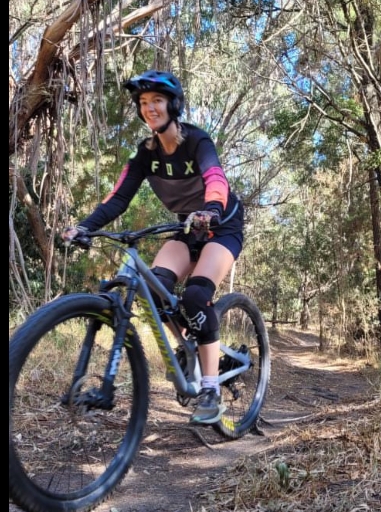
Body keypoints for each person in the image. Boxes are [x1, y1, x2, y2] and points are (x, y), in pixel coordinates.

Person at [61, 69, 244, 424]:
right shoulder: (145, 154)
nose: (149, 108)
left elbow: (215, 179)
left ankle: (210, 390)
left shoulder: (197, 141)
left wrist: (210, 210)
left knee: (195, 297)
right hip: (187, 228)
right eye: (143, 102)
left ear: (173, 105)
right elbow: (118, 199)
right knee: (158, 291)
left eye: (157, 100)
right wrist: (84, 227)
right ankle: (189, 347)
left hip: (222, 225)